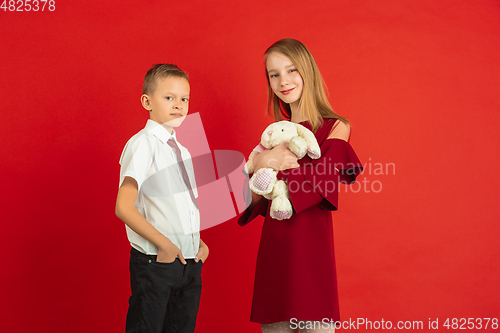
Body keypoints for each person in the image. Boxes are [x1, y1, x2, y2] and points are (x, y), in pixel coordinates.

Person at [238, 39, 363, 333]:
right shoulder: (271, 137)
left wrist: (275, 163)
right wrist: (262, 162)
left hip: (312, 261)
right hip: (275, 257)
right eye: (274, 74)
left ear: (307, 70)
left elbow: (319, 188)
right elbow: (248, 202)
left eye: (291, 70)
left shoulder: (335, 128)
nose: (283, 81)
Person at [115, 64, 209, 333]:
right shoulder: (143, 144)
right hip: (157, 261)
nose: (178, 105)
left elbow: (179, 207)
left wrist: (197, 243)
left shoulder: (184, 151)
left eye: (184, 98)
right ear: (147, 101)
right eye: (169, 97)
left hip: (188, 263)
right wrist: (165, 246)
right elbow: (123, 206)